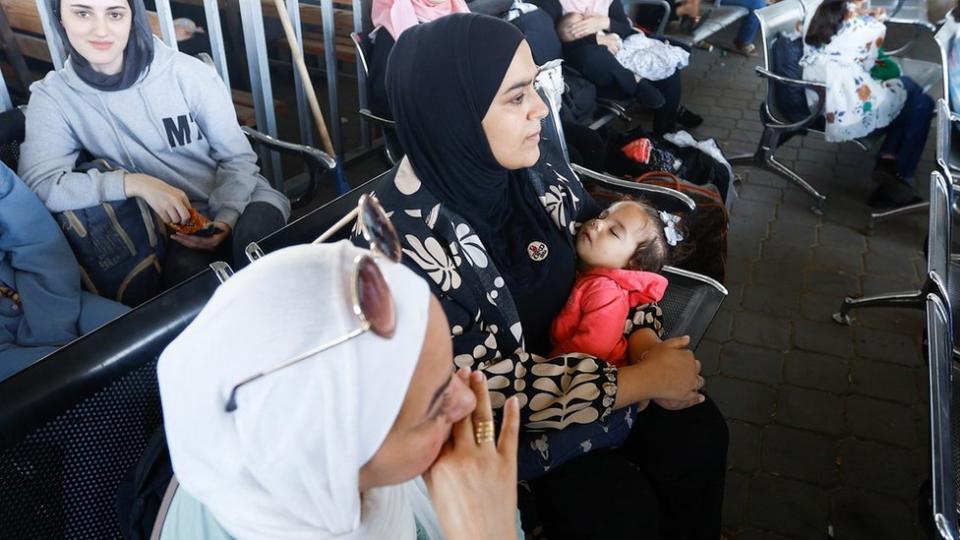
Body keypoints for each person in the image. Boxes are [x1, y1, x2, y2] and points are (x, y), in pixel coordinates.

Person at [361, 13, 727, 538]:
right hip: (515, 431)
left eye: (534, 84)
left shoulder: (532, 168)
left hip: (607, 371)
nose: (540, 108)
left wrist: (647, 343)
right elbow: (471, 390)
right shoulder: (398, 246)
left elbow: (615, 262)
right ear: (454, 114)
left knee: (699, 432)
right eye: (516, 97)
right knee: (619, 511)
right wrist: (637, 381)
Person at [158, 241, 523, 539]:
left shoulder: (307, 468)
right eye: (436, 407)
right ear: (332, 461)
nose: (470, 399)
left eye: (450, 371)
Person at [18, 0, 290, 288]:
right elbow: (40, 184)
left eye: (114, 13)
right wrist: (133, 183)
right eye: (83, 13)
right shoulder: (55, 98)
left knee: (258, 254)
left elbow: (238, 158)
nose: (100, 29)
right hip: (176, 224)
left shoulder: (186, 73)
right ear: (61, 20)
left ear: (132, 18)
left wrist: (227, 216)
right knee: (191, 288)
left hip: (243, 197)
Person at [0, 161, 128, 382]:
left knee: (145, 337)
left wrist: (51, 316)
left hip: (39, 292)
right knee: (74, 386)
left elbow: (36, 238)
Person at [801, 0, 934, 208]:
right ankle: (895, 172)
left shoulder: (817, 8)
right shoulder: (866, 26)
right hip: (844, 105)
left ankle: (890, 164)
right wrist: (874, 21)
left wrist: (863, 16)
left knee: (913, 99)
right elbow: (869, 62)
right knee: (921, 101)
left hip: (819, 94)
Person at [535, 0, 703, 135]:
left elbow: (626, 30)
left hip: (621, 48)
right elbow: (557, 49)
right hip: (590, 66)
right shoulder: (551, 4)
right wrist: (595, 40)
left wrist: (606, 22)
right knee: (590, 56)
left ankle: (665, 132)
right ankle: (637, 84)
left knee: (667, 61)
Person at [549, 200, 678, 366]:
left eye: (614, 232)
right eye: (603, 216)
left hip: (589, 373)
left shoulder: (605, 291)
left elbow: (592, 347)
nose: (598, 223)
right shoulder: (592, 274)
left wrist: (549, 363)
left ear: (632, 264)